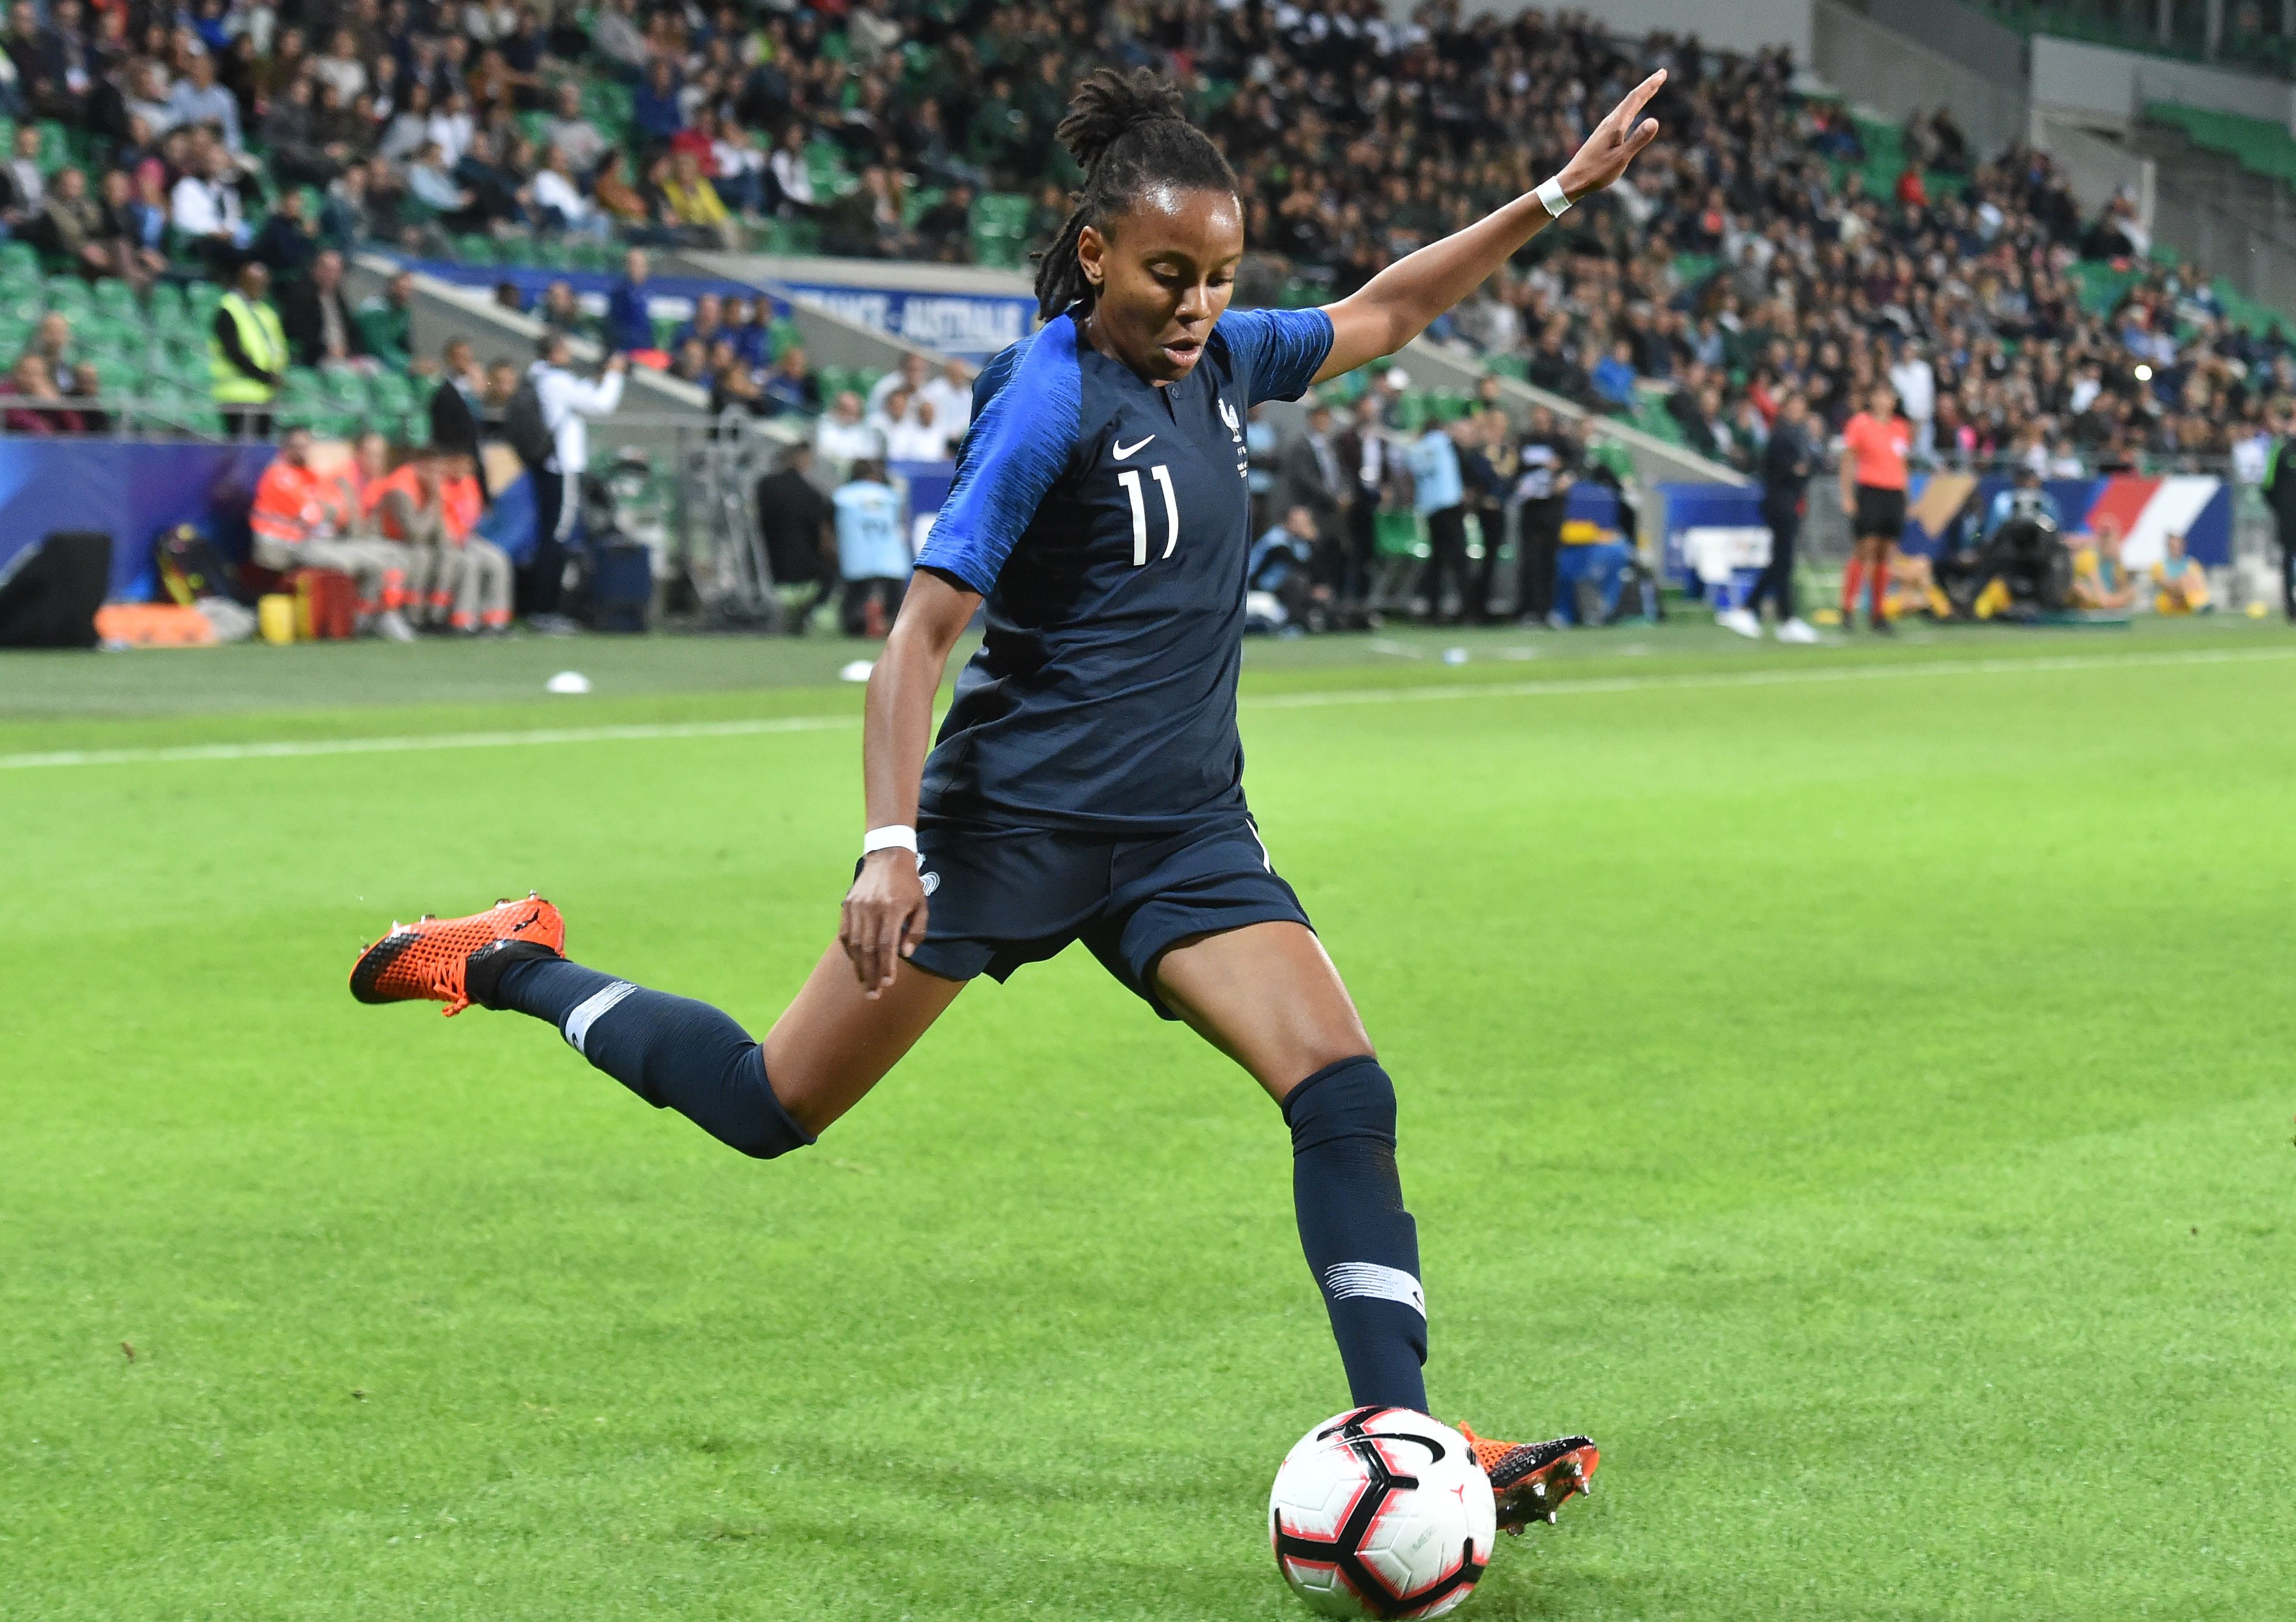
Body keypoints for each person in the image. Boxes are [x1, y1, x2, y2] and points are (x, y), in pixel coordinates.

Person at [345, 63, 1669, 1533]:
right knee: (765, 1106)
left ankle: (1413, 1444)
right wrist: (888, 845)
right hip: (1007, 832)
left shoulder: (1222, 363)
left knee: (1343, 1092)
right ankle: (508, 956)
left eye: (1221, 278)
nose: (1197, 305)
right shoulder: (1047, 394)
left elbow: (1390, 309)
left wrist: (1554, 195)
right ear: (1097, 254)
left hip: (1182, 835)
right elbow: (915, 638)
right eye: (1171, 273)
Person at [249, 426, 417, 639]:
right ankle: (368, 620)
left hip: (319, 542)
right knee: (365, 562)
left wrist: (334, 510)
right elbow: (317, 515)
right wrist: (333, 509)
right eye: (297, 447)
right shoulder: (280, 476)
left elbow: (337, 513)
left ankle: (377, 615)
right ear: (285, 448)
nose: (303, 451)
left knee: (393, 555)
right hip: (289, 548)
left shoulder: (308, 475)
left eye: (307, 446)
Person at [520, 329, 627, 634]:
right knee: (558, 537)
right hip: (561, 467)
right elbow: (600, 405)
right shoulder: (555, 381)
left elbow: (579, 395)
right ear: (553, 352)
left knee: (552, 536)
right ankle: (545, 611)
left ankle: (543, 609)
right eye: (564, 349)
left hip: (549, 466)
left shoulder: (540, 378)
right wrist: (615, 376)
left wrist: (598, 377)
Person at [1726, 389, 1818, 642]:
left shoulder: (1797, 436)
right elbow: (1789, 471)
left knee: (1781, 563)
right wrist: (1799, 471)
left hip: (1790, 504)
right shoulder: (1781, 437)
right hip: (1781, 505)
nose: (1798, 410)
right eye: (1794, 405)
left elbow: (1806, 469)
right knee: (1782, 562)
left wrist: (1802, 471)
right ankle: (1767, 613)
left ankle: (1773, 615)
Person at [1839, 380, 1911, 632]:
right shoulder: (1860, 424)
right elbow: (1847, 461)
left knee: (1886, 551)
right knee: (1864, 548)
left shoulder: (1900, 428)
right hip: (1870, 491)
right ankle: (1847, 608)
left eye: (1888, 396)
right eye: (1880, 395)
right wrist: (1847, 495)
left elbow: (1903, 465)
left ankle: (1877, 613)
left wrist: (1906, 496)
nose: (1884, 401)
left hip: (1894, 494)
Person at [754, 440, 838, 630]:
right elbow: (824, 538)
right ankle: (805, 615)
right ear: (805, 461)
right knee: (831, 575)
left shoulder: (765, 487)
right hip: (804, 565)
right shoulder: (813, 495)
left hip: (769, 562)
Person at [210, 259, 288, 440]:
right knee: (239, 452)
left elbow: (277, 348)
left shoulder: (266, 312)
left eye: (263, 282)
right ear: (242, 281)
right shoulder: (229, 308)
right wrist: (264, 376)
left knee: (261, 452)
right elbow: (233, 352)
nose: (260, 286)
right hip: (237, 394)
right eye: (255, 281)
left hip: (265, 395)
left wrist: (276, 374)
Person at [831, 456, 909, 636]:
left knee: (855, 597)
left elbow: (830, 525)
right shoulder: (890, 496)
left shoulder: (843, 496)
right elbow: (900, 524)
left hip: (857, 554)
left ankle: (855, 627)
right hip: (890, 555)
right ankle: (896, 629)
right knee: (895, 600)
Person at [1512, 406, 1571, 626]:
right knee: (1530, 560)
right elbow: (1516, 470)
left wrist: (1565, 476)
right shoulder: (1525, 441)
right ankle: (1529, 610)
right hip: (1531, 507)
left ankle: (1549, 610)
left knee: (1550, 560)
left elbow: (1576, 464)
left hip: (1553, 507)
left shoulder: (1561, 442)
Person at [1408, 414, 1468, 623]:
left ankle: (1433, 608)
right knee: (1460, 558)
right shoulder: (1443, 442)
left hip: (1430, 507)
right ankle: (1466, 609)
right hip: (1449, 503)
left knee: (1438, 559)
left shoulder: (1417, 448)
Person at [279, 247, 370, 371]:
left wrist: (349, 350)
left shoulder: (337, 298)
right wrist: (329, 350)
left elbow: (352, 331)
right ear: (315, 269)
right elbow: (303, 335)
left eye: (336, 271)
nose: (332, 275)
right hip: (319, 358)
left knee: (375, 370)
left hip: (345, 355)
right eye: (328, 270)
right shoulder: (301, 296)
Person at [2261, 407, 2296, 622]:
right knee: (2289, 557)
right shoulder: (2280, 448)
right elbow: (2267, 485)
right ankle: (2291, 607)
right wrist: (2283, 509)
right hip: (2289, 516)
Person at [2151, 532, 2211, 615]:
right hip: (2170, 602)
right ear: (2168, 547)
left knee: (2188, 578)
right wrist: (2182, 583)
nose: (2176, 549)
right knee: (2185, 579)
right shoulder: (2159, 566)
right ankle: (2200, 604)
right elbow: (2165, 584)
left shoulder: (2191, 563)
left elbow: (2200, 582)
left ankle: (2199, 603)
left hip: (2187, 602)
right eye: (2173, 546)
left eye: (2178, 546)